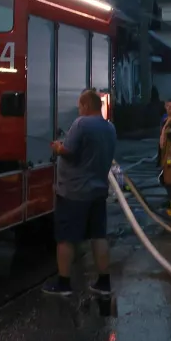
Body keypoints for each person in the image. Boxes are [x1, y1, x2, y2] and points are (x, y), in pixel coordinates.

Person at [44, 90, 117, 296]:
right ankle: (103, 282)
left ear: (85, 105)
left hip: (74, 193)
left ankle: (64, 283)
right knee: (98, 236)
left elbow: (69, 150)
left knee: (66, 238)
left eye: (79, 106)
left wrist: (58, 147)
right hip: (97, 191)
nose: (79, 110)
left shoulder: (81, 124)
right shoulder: (109, 127)